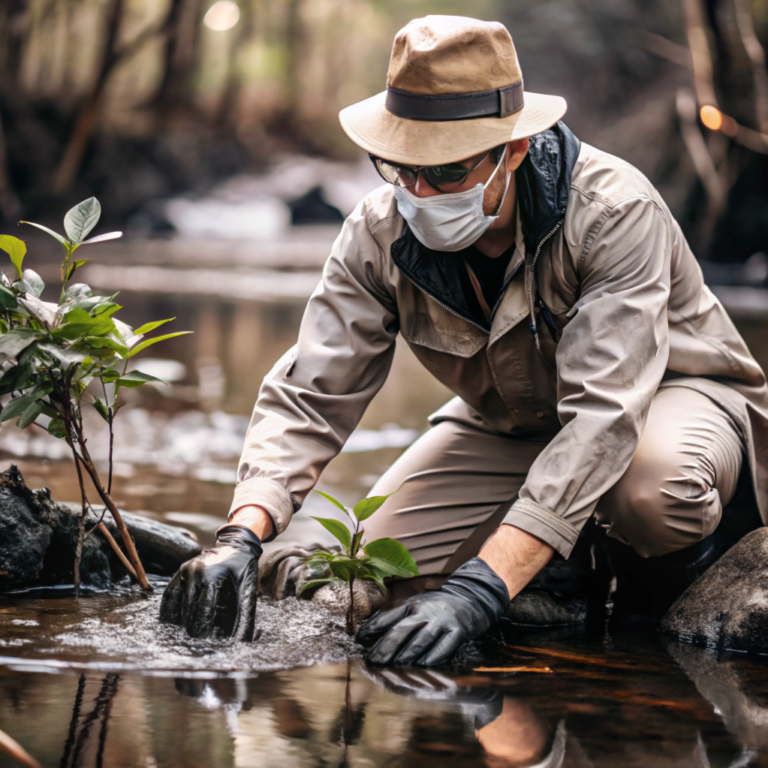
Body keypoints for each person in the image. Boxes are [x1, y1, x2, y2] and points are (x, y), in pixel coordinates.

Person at [160, 15, 768, 664]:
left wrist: (480, 591)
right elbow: (311, 391)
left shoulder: (615, 212)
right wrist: (241, 537)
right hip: (514, 424)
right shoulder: (376, 230)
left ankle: (663, 602)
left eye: (445, 171)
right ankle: (560, 560)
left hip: (666, 400)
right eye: (399, 166)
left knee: (650, 491)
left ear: (512, 149)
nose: (418, 192)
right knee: (362, 577)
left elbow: (604, 419)